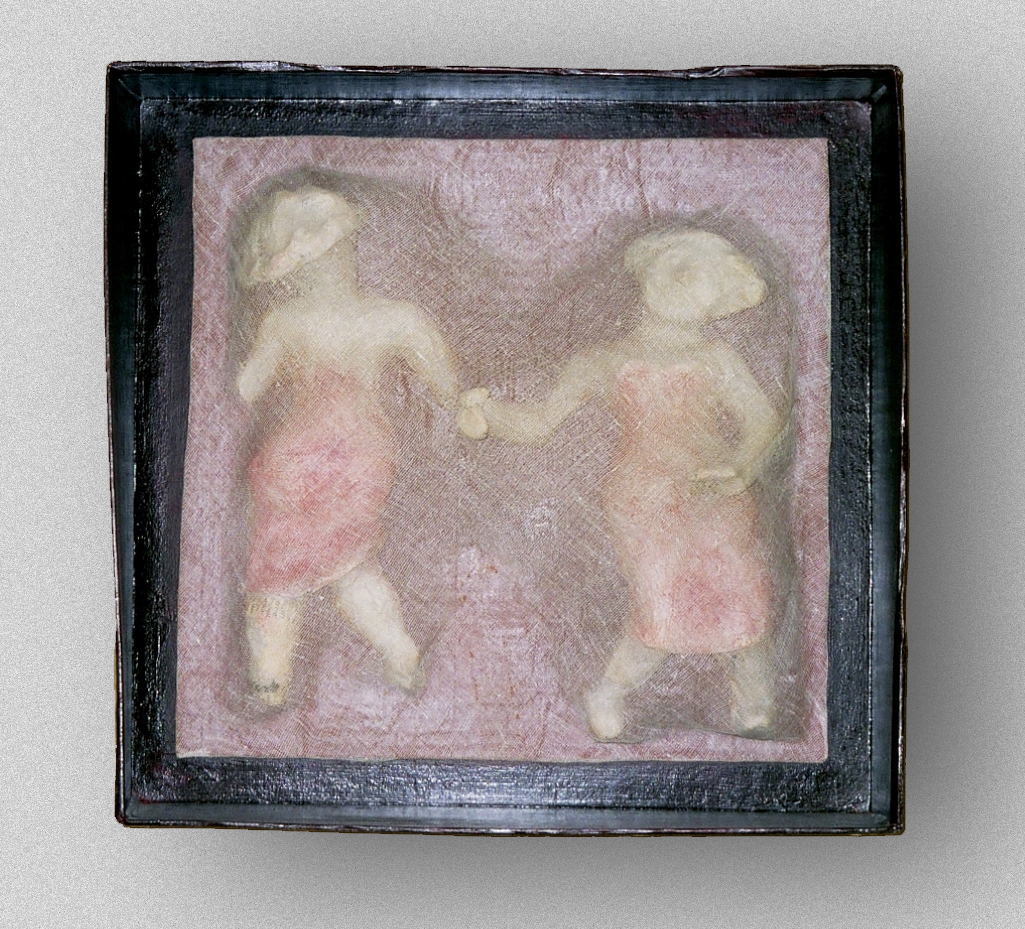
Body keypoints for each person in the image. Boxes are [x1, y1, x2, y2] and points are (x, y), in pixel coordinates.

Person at [458, 228, 788, 740]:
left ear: (718, 300)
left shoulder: (718, 359)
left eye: (698, 278)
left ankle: (755, 701)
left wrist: (742, 468)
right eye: (677, 267)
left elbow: (764, 420)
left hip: (713, 495)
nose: (681, 282)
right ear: (649, 272)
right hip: (643, 499)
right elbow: (540, 422)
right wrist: (487, 414)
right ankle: (609, 692)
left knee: (739, 594)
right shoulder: (604, 360)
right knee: (660, 602)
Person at [236, 184, 462, 705]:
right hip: (360, 457)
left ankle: (270, 685)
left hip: (294, 461)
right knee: (352, 566)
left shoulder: (286, 321)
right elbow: (449, 388)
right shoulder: (397, 317)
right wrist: (456, 421)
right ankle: (400, 653)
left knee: (278, 573)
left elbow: (244, 389)